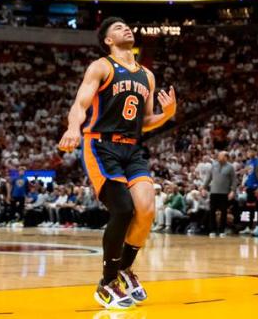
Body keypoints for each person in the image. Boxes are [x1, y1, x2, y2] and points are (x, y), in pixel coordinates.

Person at [58, 17, 177, 309]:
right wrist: (74, 128)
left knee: (147, 210)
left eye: (127, 26)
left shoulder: (147, 75)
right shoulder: (101, 66)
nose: (126, 28)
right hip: (101, 144)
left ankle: (123, 269)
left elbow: (145, 121)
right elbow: (80, 104)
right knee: (123, 209)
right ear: (108, 40)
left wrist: (167, 114)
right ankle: (106, 282)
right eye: (117, 28)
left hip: (131, 148)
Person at [206, 151, 237, 237]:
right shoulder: (213, 166)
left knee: (224, 212)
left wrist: (233, 191)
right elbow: (209, 178)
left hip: (224, 193)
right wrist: (203, 187)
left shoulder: (230, 167)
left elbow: (234, 180)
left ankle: (222, 230)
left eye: (221, 156)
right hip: (214, 192)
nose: (219, 157)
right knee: (212, 211)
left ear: (226, 157)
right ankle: (212, 230)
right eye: (219, 156)